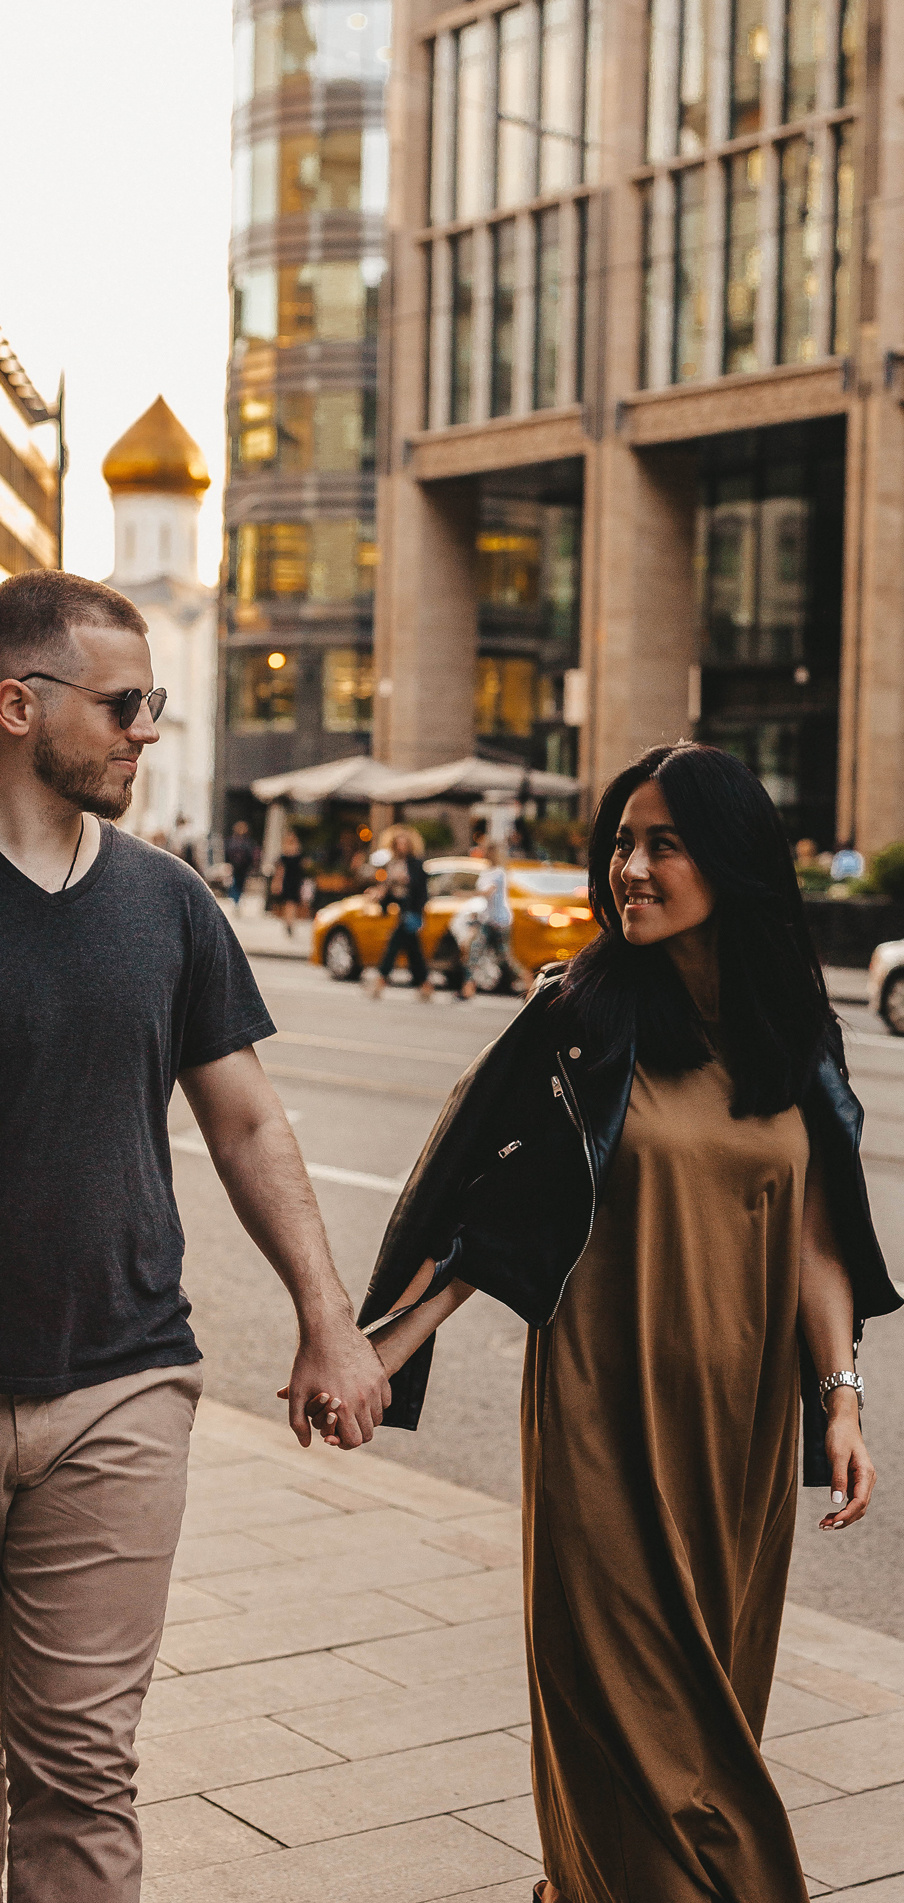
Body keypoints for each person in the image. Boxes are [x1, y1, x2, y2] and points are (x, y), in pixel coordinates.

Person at [355, 741, 902, 1903]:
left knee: (706, 1716)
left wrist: (840, 1397)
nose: (629, 868)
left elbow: (816, 1231)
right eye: (619, 841)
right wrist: (385, 1343)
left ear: (733, 863)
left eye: (662, 842)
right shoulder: (580, 1019)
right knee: (643, 1735)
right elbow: (490, 1206)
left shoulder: (792, 1036)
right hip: (602, 1413)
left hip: (738, 1433)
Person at [0, 570, 390, 1903]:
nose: (145, 729)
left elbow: (247, 1126)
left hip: (118, 1384)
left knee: (81, 1765)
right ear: (16, 703)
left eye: (152, 702)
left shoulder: (168, 903)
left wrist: (326, 1317)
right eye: (123, 702)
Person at [369, 828, 434, 1001]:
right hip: (401, 910)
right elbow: (389, 889)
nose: (402, 846)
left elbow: (422, 891)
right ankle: (425, 985)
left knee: (394, 946)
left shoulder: (416, 864)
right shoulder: (393, 863)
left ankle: (380, 980)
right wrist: (380, 895)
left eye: (405, 843)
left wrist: (419, 913)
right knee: (414, 952)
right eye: (399, 843)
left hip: (411, 910)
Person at [475, 840, 524, 994]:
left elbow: (488, 892)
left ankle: (529, 983)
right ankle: (467, 988)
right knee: (475, 953)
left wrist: (466, 894)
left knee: (505, 958)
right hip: (487, 919)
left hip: (500, 920)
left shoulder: (498, 873)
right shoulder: (487, 871)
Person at [271, 827, 307, 936]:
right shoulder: (297, 855)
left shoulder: (285, 855)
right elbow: (303, 867)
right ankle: (290, 922)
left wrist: (277, 882)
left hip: (289, 881)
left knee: (289, 903)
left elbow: (279, 871)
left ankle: (289, 922)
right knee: (291, 904)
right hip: (294, 881)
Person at [225, 818, 256, 907]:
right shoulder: (231, 840)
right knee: (233, 882)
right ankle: (234, 899)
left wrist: (251, 865)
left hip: (244, 866)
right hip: (234, 865)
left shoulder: (248, 842)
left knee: (240, 883)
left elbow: (250, 854)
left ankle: (237, 900)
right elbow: (227, 852)